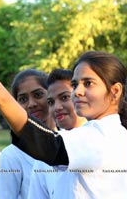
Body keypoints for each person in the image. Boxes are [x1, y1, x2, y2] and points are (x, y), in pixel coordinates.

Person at [0, 50, 127, 198]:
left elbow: (49, 146)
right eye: (75, 85)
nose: (78, 92)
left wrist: (0, 96)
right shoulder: (85, 137)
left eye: (88, 83)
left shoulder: (105, 136)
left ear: (115, 91)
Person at [0, 69, 56, 199]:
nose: (31, 104)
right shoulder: (12, 156)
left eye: (38, 95)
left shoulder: (70, 142)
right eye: (23, 99)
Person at [28, 68, 87, 198]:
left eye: (65, 97)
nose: (57, 107)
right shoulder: (46, 154)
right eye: (51, 102)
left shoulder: (103, 140)